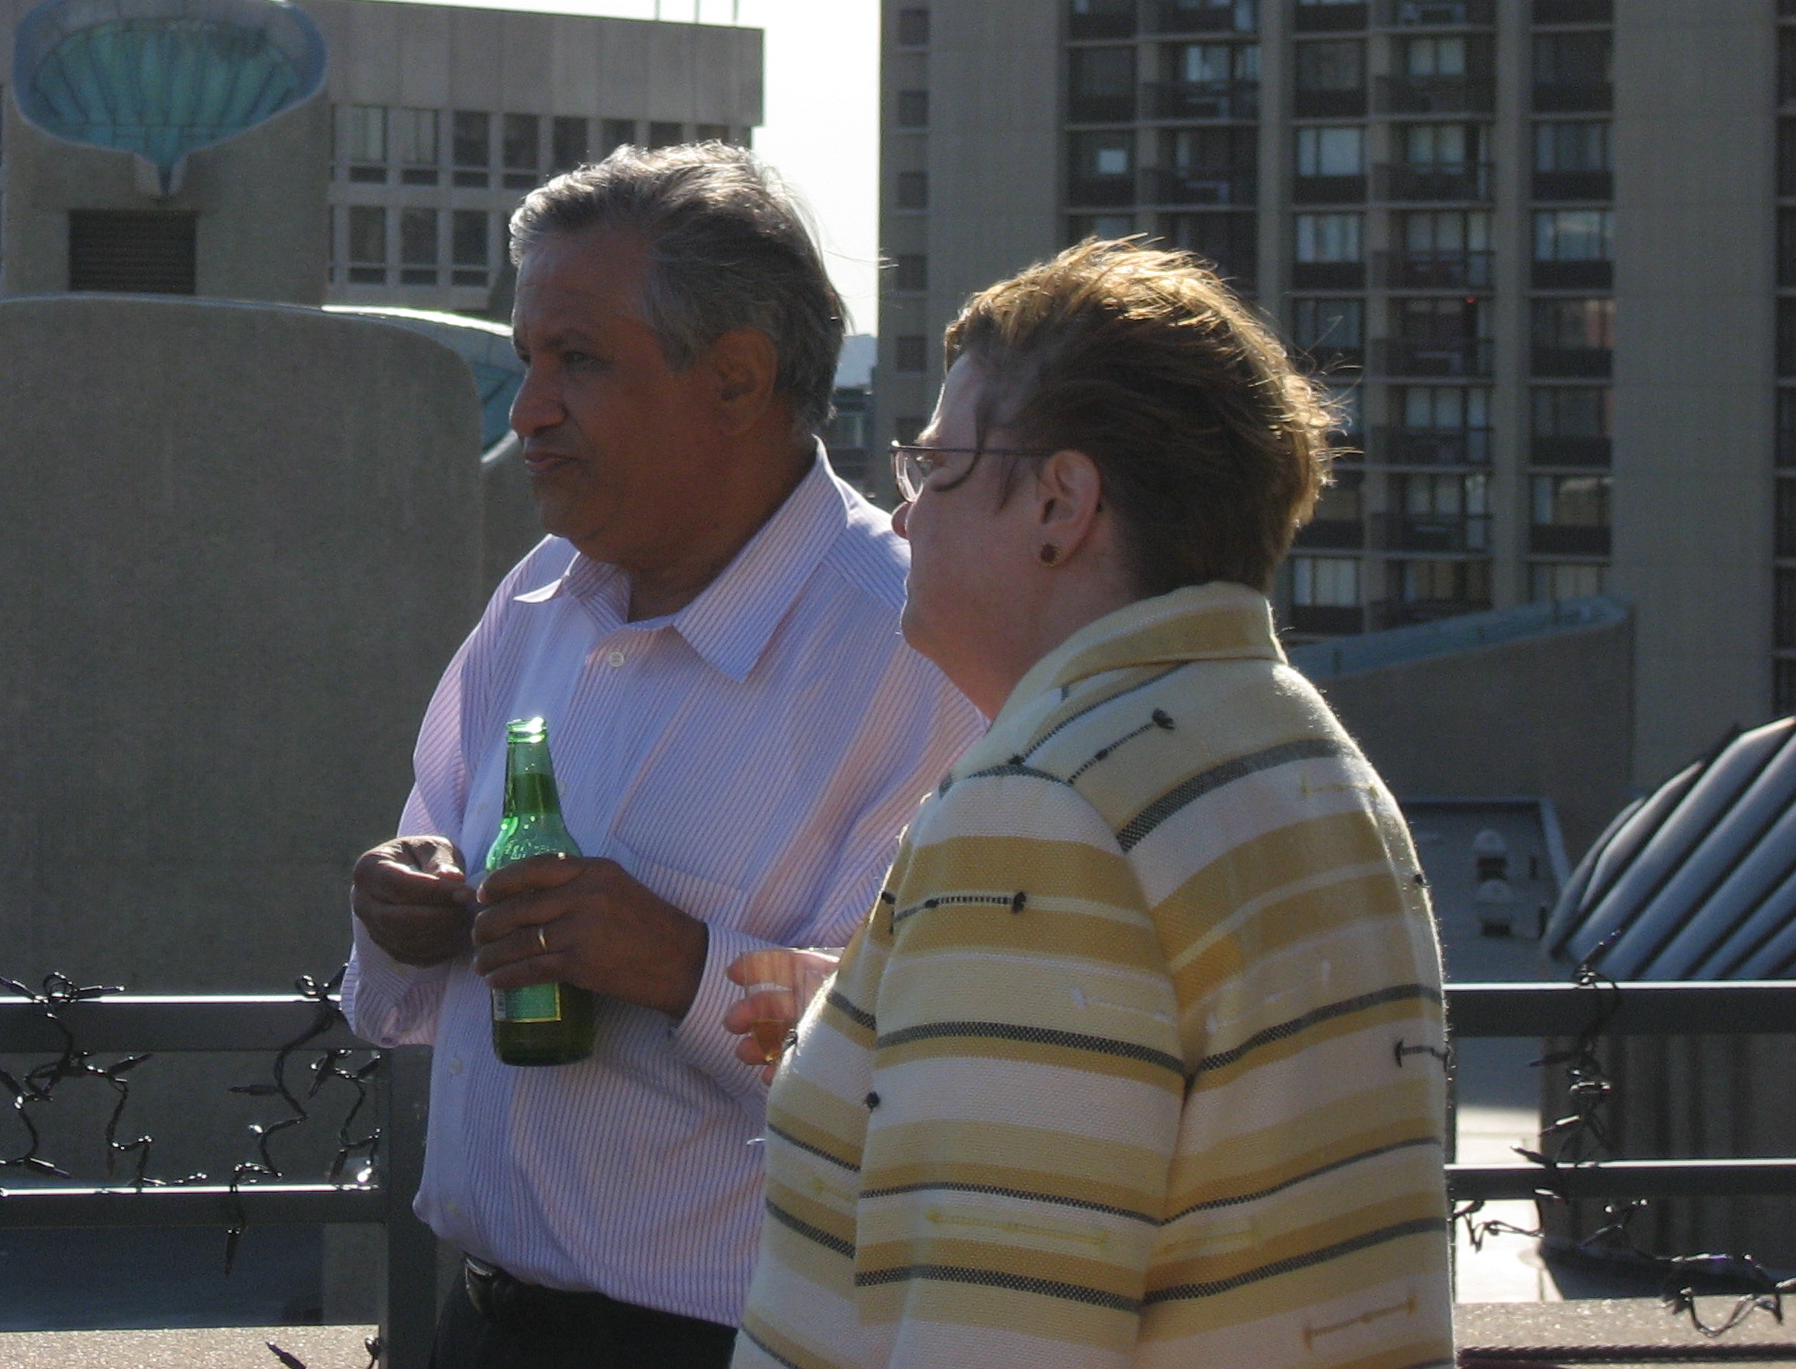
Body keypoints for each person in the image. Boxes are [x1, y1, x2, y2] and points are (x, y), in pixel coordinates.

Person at [734, 240, 1453, 1369]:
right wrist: (905, 1014)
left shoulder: (1039, 812)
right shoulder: (1302, 755)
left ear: (1059, 504)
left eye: (932, 469)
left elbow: (992, 1332)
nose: (903, 517)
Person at [345, 146, 978, 1368]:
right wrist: (396, 905)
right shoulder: (537, 595)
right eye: (527, 356)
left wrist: (684, 970)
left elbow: (956, 1066)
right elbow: (399, 988)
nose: (527, 409)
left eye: (575, 360)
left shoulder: (913, 648)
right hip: (478, 1325)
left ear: (736, 380)